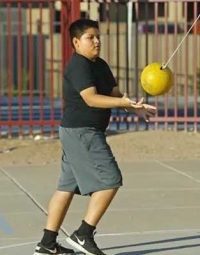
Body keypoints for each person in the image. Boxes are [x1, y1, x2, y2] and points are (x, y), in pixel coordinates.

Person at [33, 18, 156, 255]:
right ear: (76, 42)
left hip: (78, 132)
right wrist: (121, 102)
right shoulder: (78, 66)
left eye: (98, 36)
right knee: (110, 179)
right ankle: (83, 234)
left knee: (66, 187)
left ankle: (47, 245)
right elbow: (91, 98)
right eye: (91, 37)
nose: (97, 41)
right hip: (82, 132)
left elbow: (114, 94)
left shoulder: (100, 65)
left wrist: (134, 108)